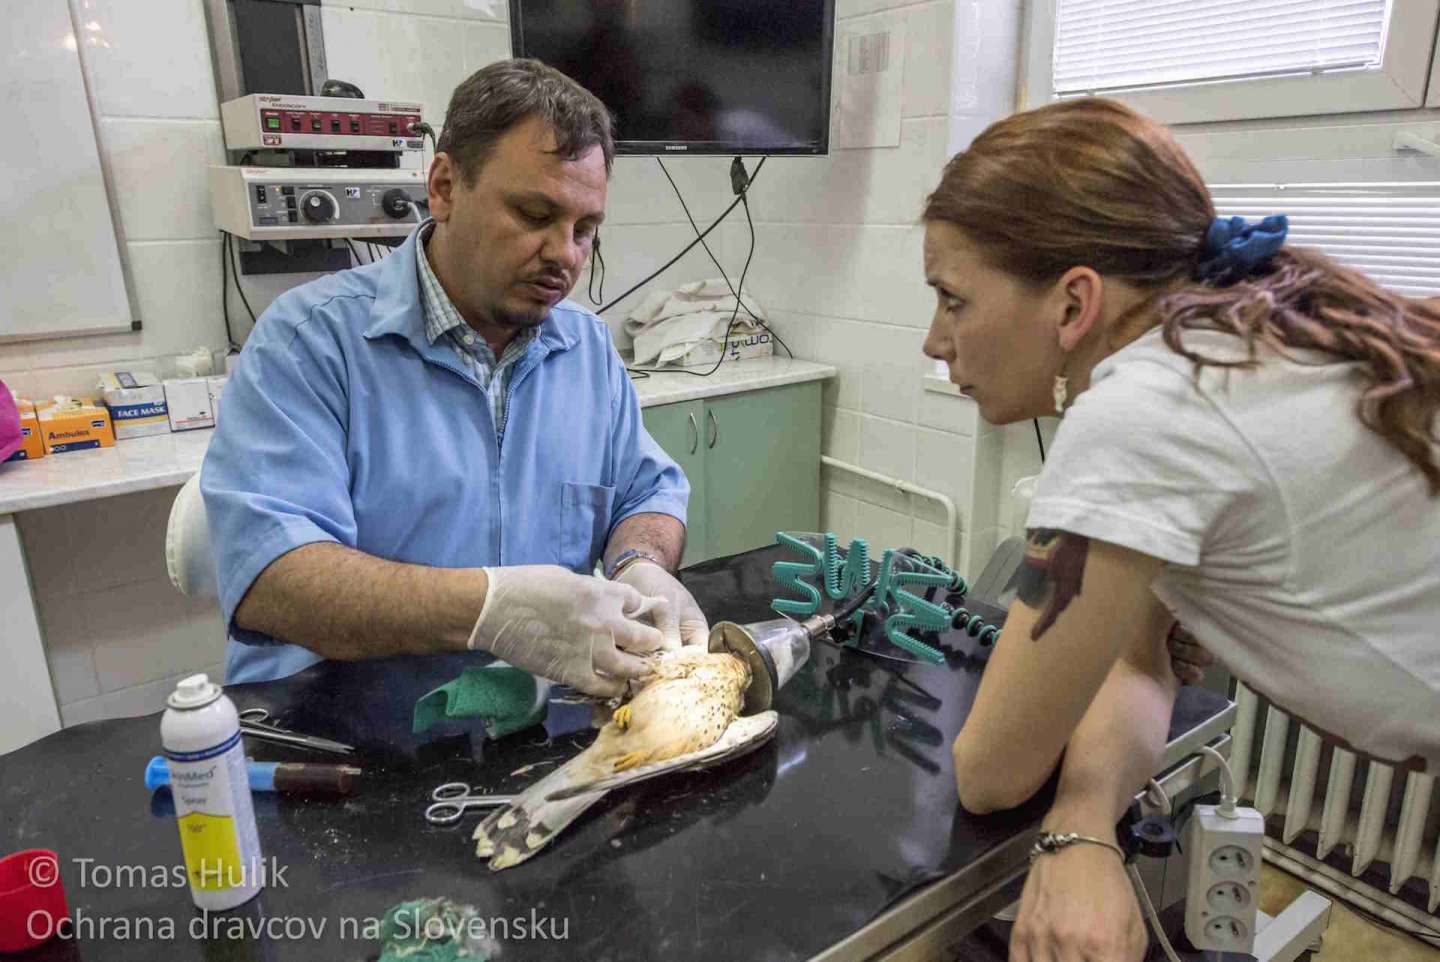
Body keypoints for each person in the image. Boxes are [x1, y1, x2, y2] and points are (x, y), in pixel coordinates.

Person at [920, 97, 1440, 961]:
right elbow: (1136, 654)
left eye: (952, 299)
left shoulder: (1137, 415)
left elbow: (992, 770)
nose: (936, 343)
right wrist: (1082, 824)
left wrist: (1065, 815)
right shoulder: (1225, 340)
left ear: (1074, 301)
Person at [202, 59, 708, 694]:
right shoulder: (311, 342)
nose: (565, 255)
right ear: (443, 186)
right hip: (335, 728)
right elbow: (272, 579)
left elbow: (646, 494)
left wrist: (640, 564)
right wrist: (488, 609)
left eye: (585, 230)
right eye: (533, 214)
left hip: (530, 715)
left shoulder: (584, 348)